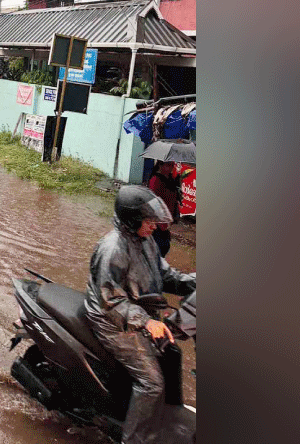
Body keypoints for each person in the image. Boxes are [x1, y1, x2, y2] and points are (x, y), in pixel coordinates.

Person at [84, 185, 196, 444]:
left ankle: (160, 418)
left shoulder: (146, 242)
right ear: (133, 220)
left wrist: (195, 281)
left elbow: (166, 276)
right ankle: (133, 439)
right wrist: (146, 321)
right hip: (112, 321)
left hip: (136, 313)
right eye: (148, 221)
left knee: (172, 353)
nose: (154, 226)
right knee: (152, 383)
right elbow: (110, 300)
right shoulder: (113, 249)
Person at [147, 161, 180, 257]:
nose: (171, 167)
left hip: (166, 222)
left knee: (163, 249)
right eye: (168, 165)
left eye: (172, 165)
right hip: (157, 223)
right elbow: (154, 202)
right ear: (161, 165)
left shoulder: (170, 180)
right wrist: (160, 223)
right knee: (158, 251)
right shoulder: (156, 180)